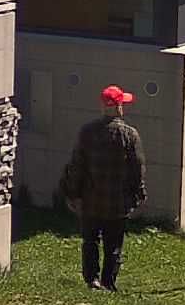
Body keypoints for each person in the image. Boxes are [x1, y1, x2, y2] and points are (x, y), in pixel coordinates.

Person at [61, 85, 146, 291]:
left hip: (91, 200)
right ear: (118, 107)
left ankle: (92, 279)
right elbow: (137, 169)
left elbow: (77, 166)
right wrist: (138, 194)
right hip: (118, 203)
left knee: (90, 241)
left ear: (102, 106)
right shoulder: (130, 135)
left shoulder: (87, 132)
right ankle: (109, 282)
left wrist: (72, 193)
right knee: (113, 245)